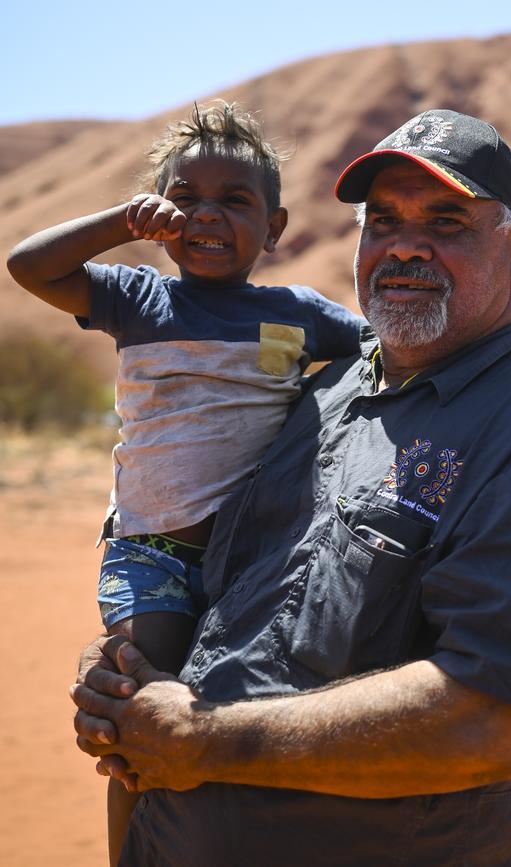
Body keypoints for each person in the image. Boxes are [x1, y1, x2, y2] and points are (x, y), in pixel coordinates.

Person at [70, 109, 511, 867]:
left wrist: (200, 739)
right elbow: (216, 583)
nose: (406, 243)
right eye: (383, 220)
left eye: (446, 220)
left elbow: (485, 721)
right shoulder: (322, 391)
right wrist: (121, 667)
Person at [6, 101, 361, 864]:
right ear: (161, 211)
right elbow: (28, 266)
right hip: (152, 554)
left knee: (242, 718)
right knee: (140, 708)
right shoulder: (138, 299)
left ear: (276, 226)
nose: (206, 214)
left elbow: (379, 353)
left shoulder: (297, 314)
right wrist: (121, 221)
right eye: (184, 197)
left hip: (258, 564)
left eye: (235, 200)